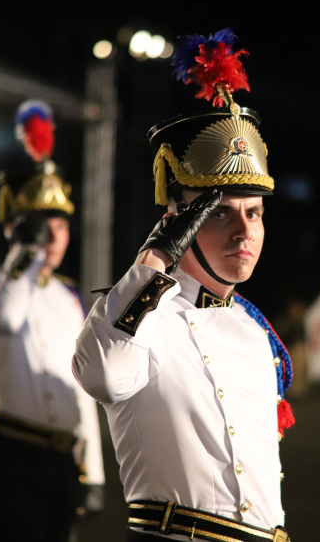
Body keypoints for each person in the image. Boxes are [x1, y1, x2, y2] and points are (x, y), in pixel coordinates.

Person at [72, 29, 294, 542]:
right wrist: (156, 255)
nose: (245, 230)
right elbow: (101, 374)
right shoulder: (138, 318)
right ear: (178, 220)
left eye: (255, 213)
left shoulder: (253, 329)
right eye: (219, 213)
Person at [0, 100, 105, 542]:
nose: (53, 237)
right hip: (13, 455)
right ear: (15, 228)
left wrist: (94, 470)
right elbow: (5, 319)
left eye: (61, 226)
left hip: (65, 460)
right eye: (42, 225)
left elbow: (81, 388)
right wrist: (23, 254)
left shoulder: (66, 298)